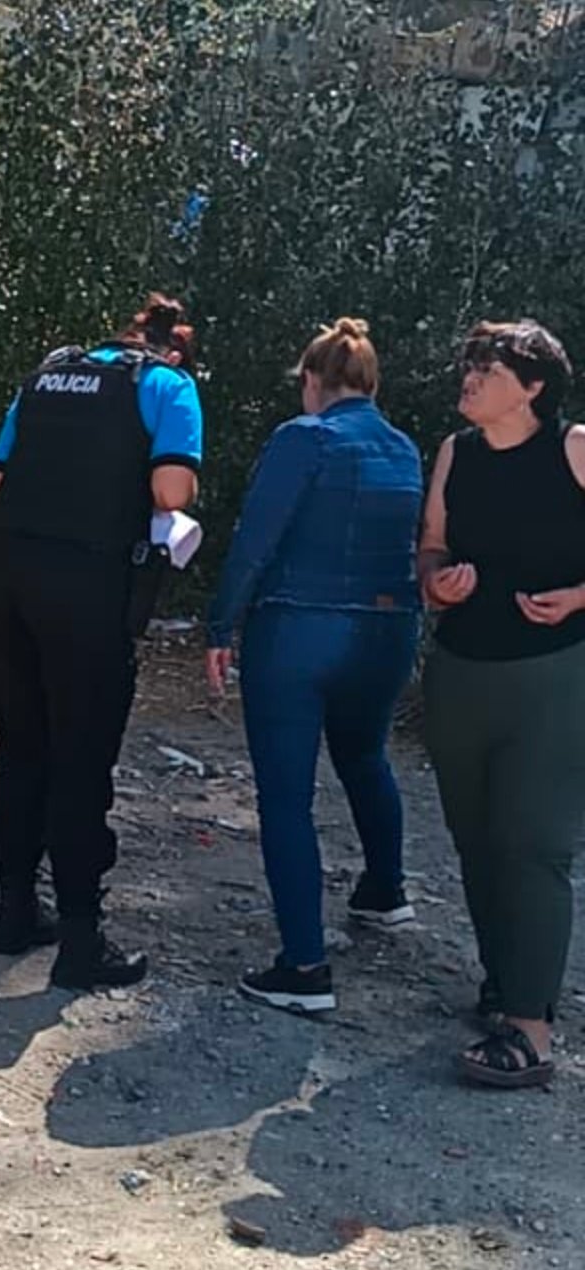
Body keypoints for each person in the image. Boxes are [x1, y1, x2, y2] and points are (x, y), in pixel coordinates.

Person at [0, 294, 204, 990]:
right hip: (87, 589)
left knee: (20, 747)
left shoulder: (47, 374)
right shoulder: (167, 385)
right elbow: (172, 490)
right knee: (80, 759)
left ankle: (15, 912)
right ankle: (80, 941)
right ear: (174, 349)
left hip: (6, 580)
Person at [205, 318, 422, 1014]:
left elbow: (256, 540)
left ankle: (304, 967)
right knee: (365, 755)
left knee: (286, 796)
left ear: (311, 381)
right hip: (389, 630)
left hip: (300, 628)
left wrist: (221, 625)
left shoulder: (303, 438)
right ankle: (385, 889)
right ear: (370, 385)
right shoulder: (404, 448)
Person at [419, 319, 585, 1089]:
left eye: (489, 367)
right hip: (461, 670)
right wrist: (436, 579)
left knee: (535, 843)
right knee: (477, 840)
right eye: (471, 364)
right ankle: (505, 984)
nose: (472, 376)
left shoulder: (573, 448)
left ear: (533, 387)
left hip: (554, 675)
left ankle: (531, 1031)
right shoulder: (456, 453)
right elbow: (432, 544)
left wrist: (580, 595)